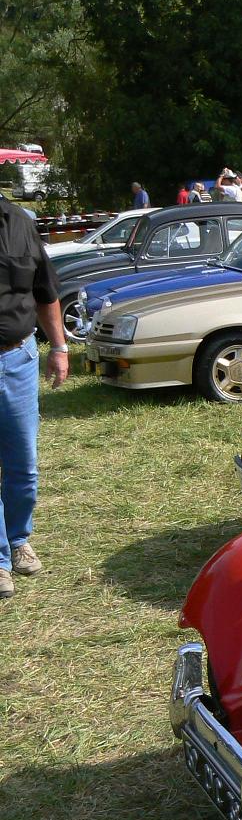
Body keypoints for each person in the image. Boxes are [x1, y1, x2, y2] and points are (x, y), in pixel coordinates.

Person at [0, 193, 68, 599]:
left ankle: (18, 538)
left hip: (18, 359)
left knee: (24, 464)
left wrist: (59, 347)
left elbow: (46, 292)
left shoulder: (20, 222)